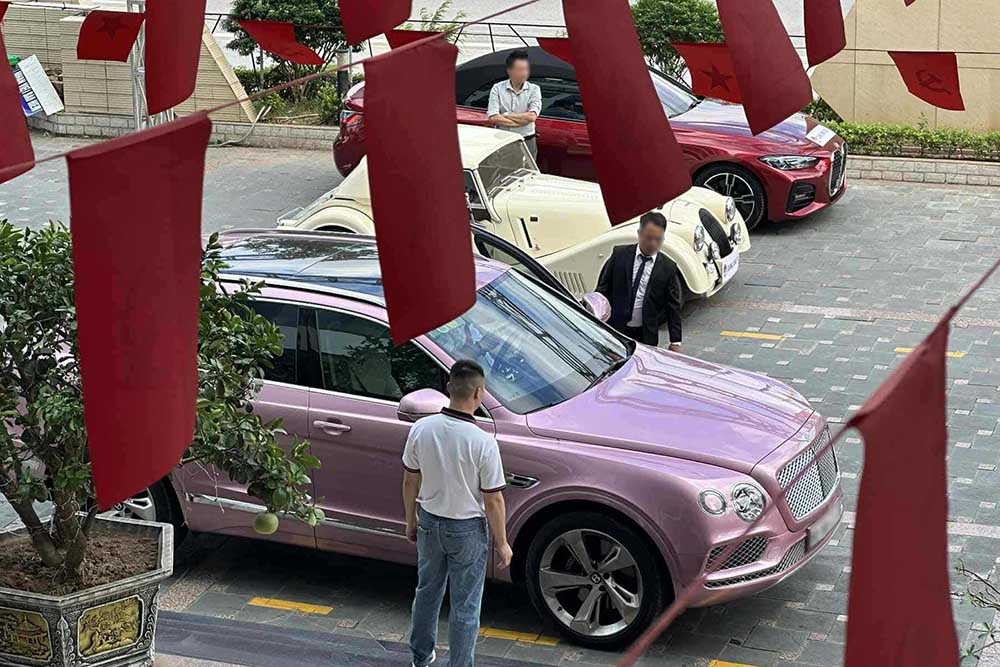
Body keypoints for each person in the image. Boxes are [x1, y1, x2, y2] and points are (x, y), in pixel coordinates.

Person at [402, 360, 512, 667]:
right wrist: (502, 542)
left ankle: (421, 657)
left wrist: (411, 520)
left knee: (427, 592)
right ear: (480, 393)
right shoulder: (483, 442)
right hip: (467, 531)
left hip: (429, 522)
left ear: (449, 388)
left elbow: (411, 479)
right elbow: (493, 500)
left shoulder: (421, 429)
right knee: (465, 605)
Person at [596, 211, 683, 351]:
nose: (653, 244)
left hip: (646, 333)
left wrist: (676, 342)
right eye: (649, 238)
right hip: (617, 330)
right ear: (639, 233)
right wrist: (596, 324)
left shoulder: (668, 267)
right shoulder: (619, 255)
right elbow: (602, 290)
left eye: (658, 239)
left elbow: (672, 306)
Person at [486, 49, 542, 160]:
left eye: (526, 69)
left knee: (528, 174)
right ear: (510, 71)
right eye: (520, 70)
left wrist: (506, 115)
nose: (524, 73)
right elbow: (493, 117)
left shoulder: (534, 89)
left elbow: (531, 116)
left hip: (527, 140)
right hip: (503, 140)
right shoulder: (497, 88)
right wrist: (521, 121)